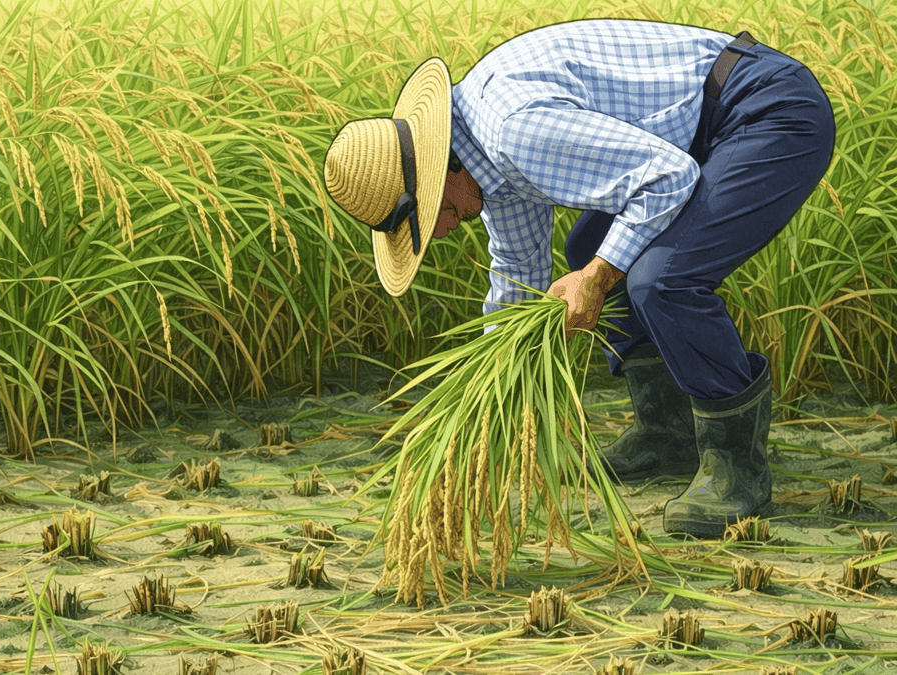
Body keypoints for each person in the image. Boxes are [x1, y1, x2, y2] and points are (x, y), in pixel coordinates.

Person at [322, 19, 835, 537]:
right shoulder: (483, 163)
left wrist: (594, 278)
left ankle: (737, 470)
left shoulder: (514, 132)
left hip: (765, 111)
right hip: (696, 130)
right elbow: (517, 275)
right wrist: (485, 393)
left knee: (659, 280)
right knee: (587, 247)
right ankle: (669, 434)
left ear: (439, 177)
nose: (440, 235)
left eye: (427, 221)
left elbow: (668, 177)